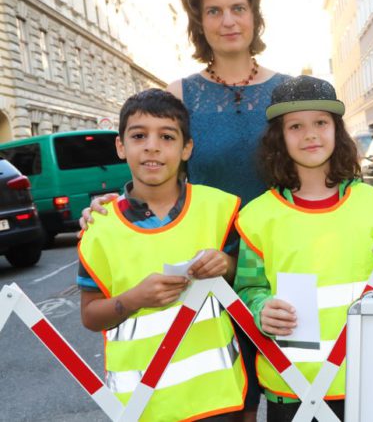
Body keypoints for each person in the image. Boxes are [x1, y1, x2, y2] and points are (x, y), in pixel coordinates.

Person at [81, 0, 288, 418]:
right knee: (232, 400)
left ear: (256, 13)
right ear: (199, 21)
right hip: (206, 271)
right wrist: (114, 204)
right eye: (214, 11)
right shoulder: (180, 93)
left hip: (280, 263)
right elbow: (157, 159)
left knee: (291, 395)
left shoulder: (287, 91)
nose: (228, 21)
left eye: (238, 7)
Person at [234, 75, 373, 421]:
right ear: (278, 139)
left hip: (369, 377)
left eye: (321, 122)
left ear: (337, 131)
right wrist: (260, 309)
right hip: (292, 385)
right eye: (296, 126)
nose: (311, 134)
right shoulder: (257, 217)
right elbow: (249, 287)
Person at [77, 89, 247, 421]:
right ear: (121, 146)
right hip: (141, 403)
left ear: (186, 149)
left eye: (167, 137)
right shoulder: (100, 227)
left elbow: (247, 277)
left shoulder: (219, 208)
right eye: (139, 135)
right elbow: (90, 315)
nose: (152, 146)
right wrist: (133, 299)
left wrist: (225, 264)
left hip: (217, 397)